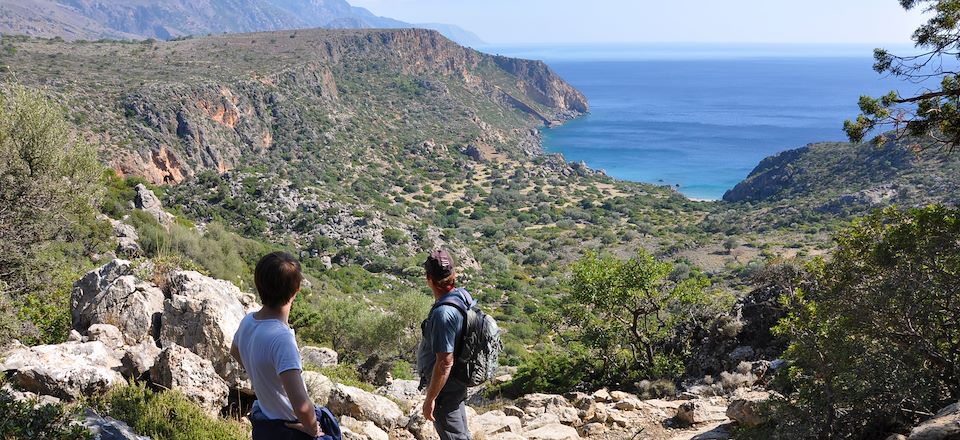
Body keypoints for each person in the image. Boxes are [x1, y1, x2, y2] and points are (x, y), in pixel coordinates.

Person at [232, 251, 324, 440]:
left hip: (264, 420)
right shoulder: (282, 339)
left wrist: (261, 377)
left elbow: (235, 351)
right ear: (296, 290)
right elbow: (302, 406)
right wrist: (314, 431)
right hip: (287, 426)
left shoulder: (248, 321)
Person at [417, 249, 475, 440]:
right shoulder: (461, 296)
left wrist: (430, 399)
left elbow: (444, 363)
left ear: (428, 278)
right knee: (461, 435)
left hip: (445, 389)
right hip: (456, 381)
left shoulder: (443, 314)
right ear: (453, 275)